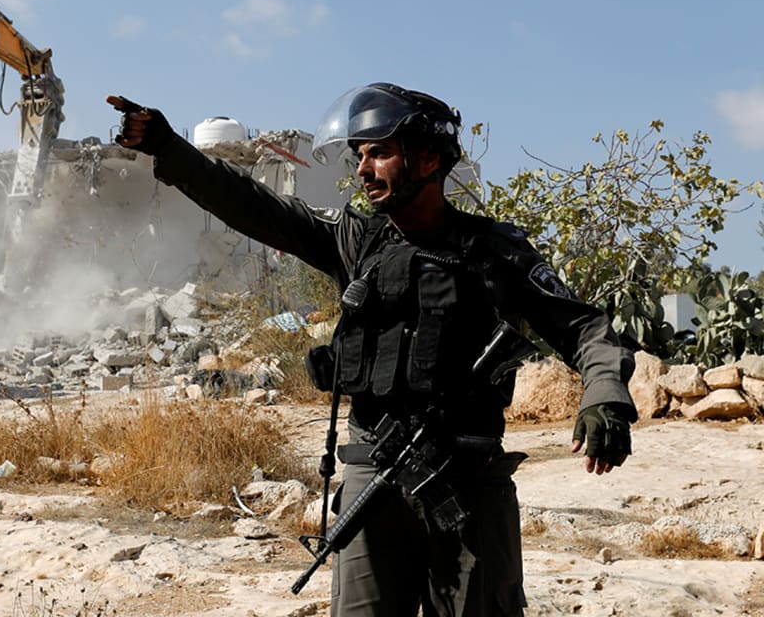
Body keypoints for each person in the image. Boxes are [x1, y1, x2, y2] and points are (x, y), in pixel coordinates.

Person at [106, 85, 636, 617]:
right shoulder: (358, 241)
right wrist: (170, 148)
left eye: (378, 152)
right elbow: (254, 207)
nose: (362, 169)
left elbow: (587, 329)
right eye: (359, 154)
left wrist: (604, 396)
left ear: (428, 158)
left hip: (468, 484)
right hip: (373, 477)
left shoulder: (495, 252)